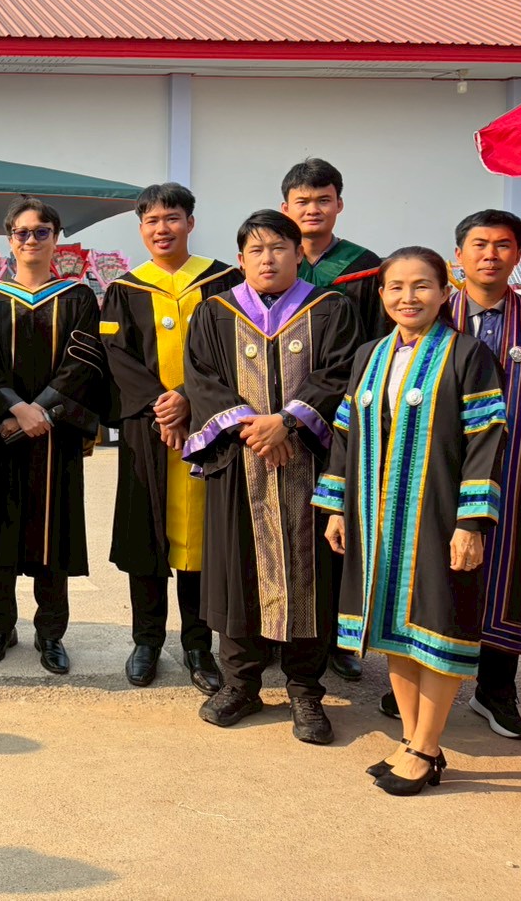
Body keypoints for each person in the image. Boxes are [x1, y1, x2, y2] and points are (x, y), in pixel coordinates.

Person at [316, 246, 505, 794]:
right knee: (392, 630)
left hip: (439, 517)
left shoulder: (467, 354)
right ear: (381, 295)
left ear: (445, 291)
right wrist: (336, 506)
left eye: (422, 285)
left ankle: (425, 746)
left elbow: (486, 438)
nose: (408, 297)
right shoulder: (370, 355)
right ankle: (413, 740)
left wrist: (472, 522)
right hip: (376, 518)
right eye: (396, 287)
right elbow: (345, 432)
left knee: (437, 627)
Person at [183, 210, 358, 744]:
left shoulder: (331, 309)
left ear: (298, 254)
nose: (268, 258)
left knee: (311, 571)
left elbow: (341, 373)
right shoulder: (214, 312)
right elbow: (203, 379)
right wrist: (254, 429)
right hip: (241, 465)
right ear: (240, 259)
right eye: (256, 250)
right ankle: (241, 683)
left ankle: (305, 689)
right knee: (239, 569)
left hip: (309, 463)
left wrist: (288, 422)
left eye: (279, 247)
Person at [101, 183, 240, 694]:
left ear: (190, 222)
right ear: (141, 228)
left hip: (208, 425)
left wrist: (186, 398)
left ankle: (198, 645)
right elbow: (116, 356)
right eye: (152, 220)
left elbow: (231, 349)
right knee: (146, 534)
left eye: (173, 218)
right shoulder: (124, 289)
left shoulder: (223, 280)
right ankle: (146, 640)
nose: (163, 229)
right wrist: (162, 405)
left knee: (203, 537)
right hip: (148, 429)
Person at [0, 197, 106, 675]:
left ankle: (51, 634)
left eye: (41, 231)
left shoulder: (78, 297)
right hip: (3, 433)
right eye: (22, 232)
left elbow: (83, 362)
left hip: (55, 434)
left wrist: (39, 410)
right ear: (9, 240)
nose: (31, 239)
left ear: (55, 237)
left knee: (54, 535)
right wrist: (14, 408)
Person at [281, 157, 385, 683]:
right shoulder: (273, 260)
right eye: (302, 201)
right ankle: (278, 628)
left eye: (323, 199)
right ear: (286, 207)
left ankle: (341, 637)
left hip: (345, 419)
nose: (313, 209)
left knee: (339, 527)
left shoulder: (365, 268)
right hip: (280, 419)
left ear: (339, 204)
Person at [444, 210, 521, 739]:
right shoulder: (431, 315)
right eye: (478, 244)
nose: (490, 254)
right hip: (441, 471)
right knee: (438, 571)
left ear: (518, 255)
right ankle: (427, 681)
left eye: (503, 245)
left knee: (512, 575)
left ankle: (496, 688)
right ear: (458, 254)